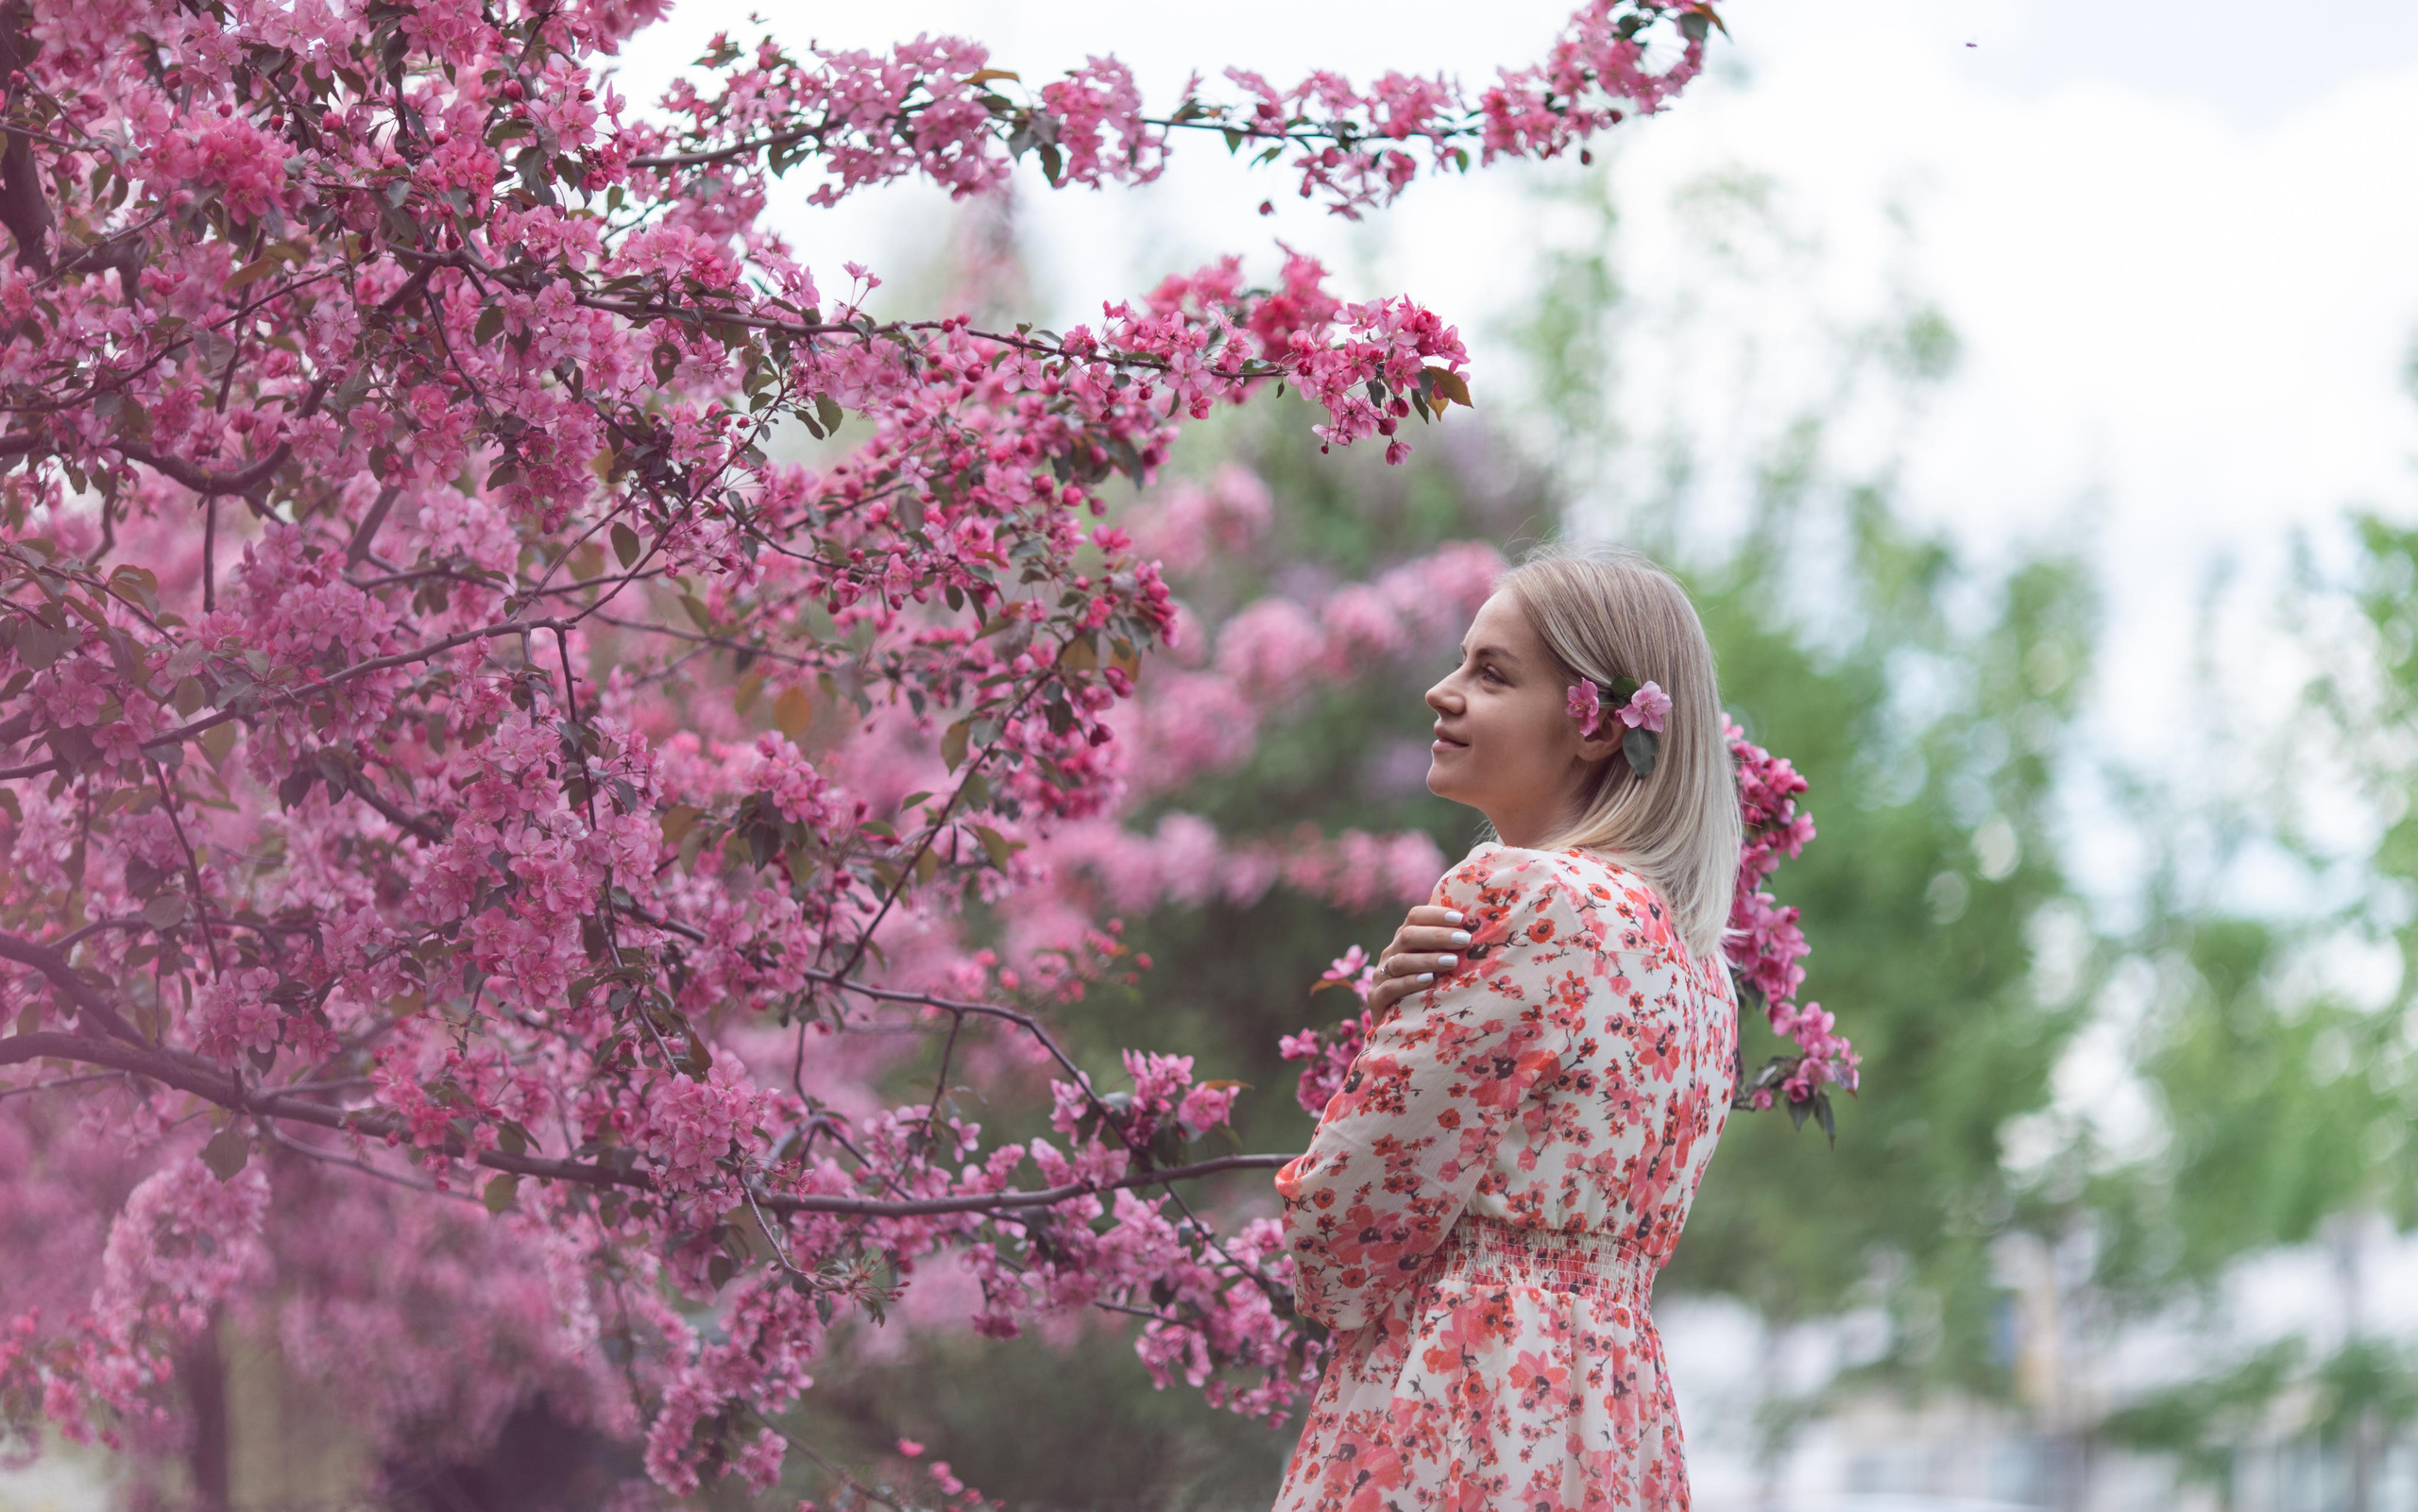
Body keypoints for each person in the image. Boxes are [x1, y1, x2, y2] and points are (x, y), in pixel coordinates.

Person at [1269, 544, 1742, 1511]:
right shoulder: (1703, 972)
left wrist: (1391, 1027)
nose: (1442, 693)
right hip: (1610, 1427)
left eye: (1491, 672)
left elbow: (1334, 1242)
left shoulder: (1513, 893)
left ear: (1599, 726)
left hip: (1455, 1410)